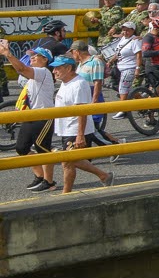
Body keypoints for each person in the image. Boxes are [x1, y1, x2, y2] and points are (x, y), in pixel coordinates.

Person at [51, 54, 113, 193]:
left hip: (75, 129)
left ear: (68, 68)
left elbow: (82, 111)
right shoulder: (65, 82)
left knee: (68, 160)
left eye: (57, 68)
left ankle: (102, 176)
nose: (54, 71)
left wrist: (80, 135)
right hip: (66, 129)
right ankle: (102, 176)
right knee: (68, 162)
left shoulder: (79, 84)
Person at [1, 41, 57, 192]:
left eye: (36, 56)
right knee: (21, 148)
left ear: (45, 60)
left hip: (44, 116)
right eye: (31, 56)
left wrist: (8, 54)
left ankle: (49, 181)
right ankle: (40, 176)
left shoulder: (43, 72)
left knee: (42, 148)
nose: (32, 58)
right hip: (31, 115)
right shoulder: (35, 74)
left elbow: (21, 68)